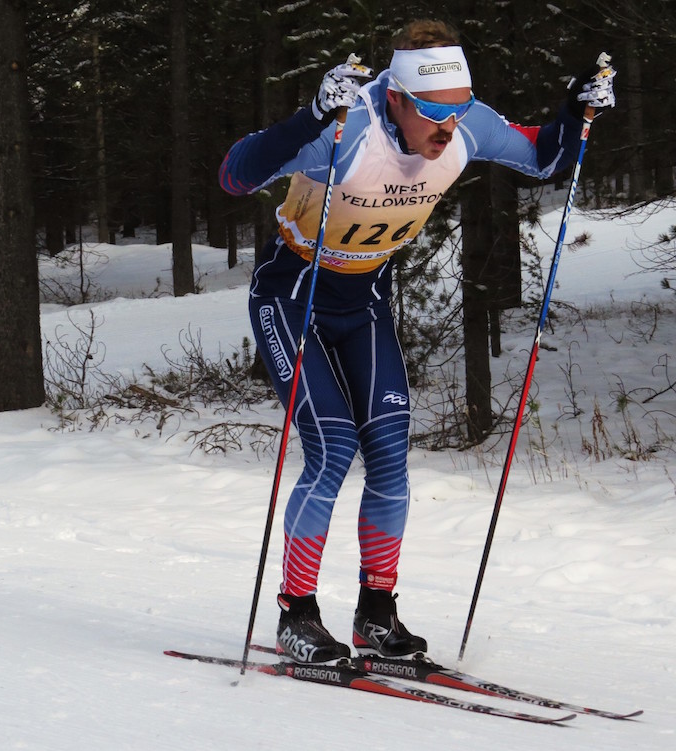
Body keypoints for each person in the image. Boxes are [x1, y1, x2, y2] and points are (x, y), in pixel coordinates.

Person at [218, 19, 615, 665]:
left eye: (457, 113)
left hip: (363, 298)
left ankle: (378, 610)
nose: (447, 129)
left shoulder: (465, 123)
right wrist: (309, 117)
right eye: (433, 113)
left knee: (389, 454)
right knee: (333, 446)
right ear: (396, 96)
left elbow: (546, 157)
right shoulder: (348, 131)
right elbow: (235, 174)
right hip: (293, 295)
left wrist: (576, 108)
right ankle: (299, 613)